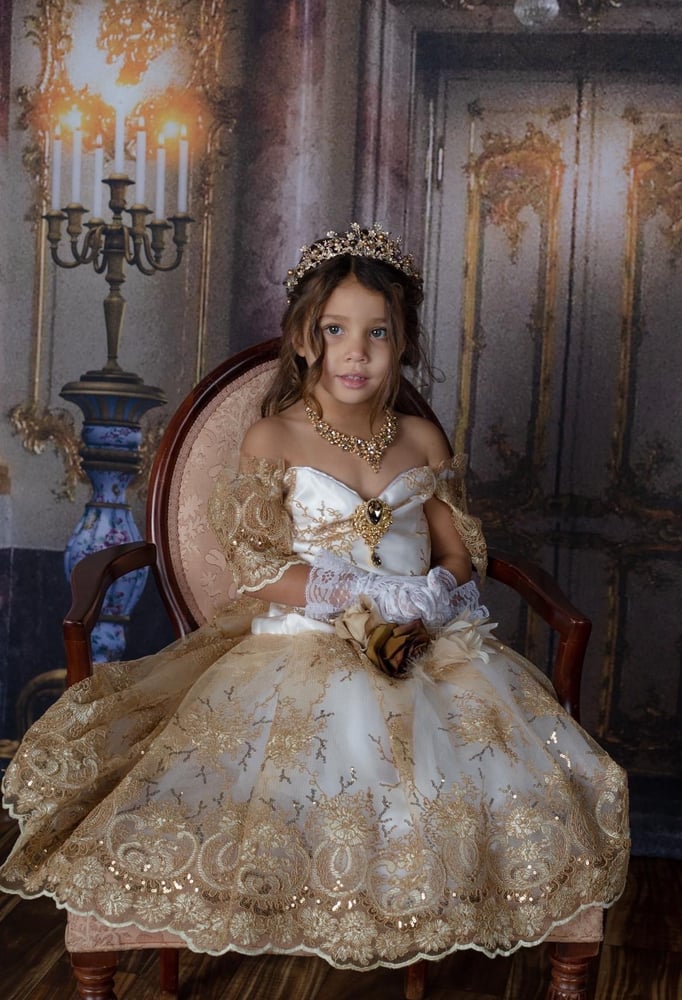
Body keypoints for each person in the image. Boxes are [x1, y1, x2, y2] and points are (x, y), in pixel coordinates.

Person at [0, 223, 629, 970]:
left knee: (480, 763)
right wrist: (357, 587)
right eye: (336, 331)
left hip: (423, 645)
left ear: (402, 342)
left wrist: (438, 590)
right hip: (301, 644)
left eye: (377, 333)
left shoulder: (423, 441)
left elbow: (459, 550)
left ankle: (414, 905)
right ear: (305, 338)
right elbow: (257, 564)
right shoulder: (274, 438)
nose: (356, 352)